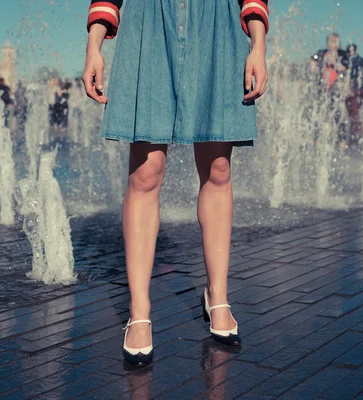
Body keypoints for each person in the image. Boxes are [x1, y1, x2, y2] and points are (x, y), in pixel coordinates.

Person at [82, 0, 268, 366]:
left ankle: (218, 295)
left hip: (217, 24)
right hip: (148, 23)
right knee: (145, 173)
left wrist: (258, 45)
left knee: (217, 169)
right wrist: (94, 46)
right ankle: (139, 310)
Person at [344, 44, 363, 140]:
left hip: (353, 90)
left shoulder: (347, 61)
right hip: (361, 89)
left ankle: (355, 135)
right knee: (358, 112)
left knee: (354, 113)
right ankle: (359, 133)